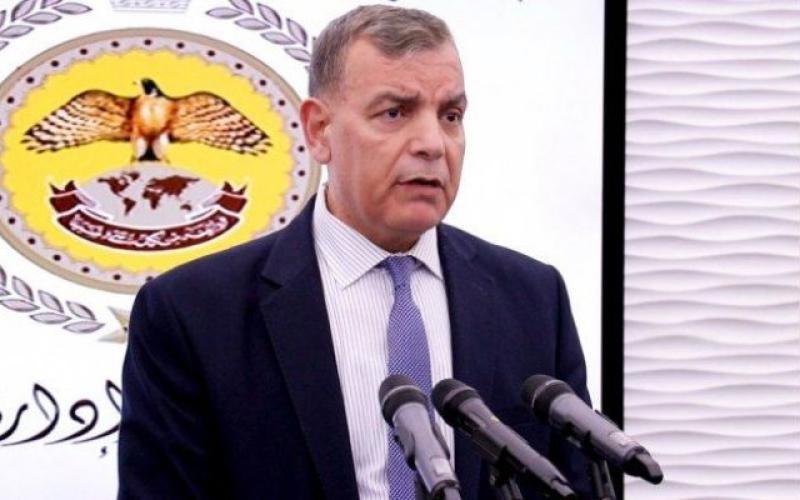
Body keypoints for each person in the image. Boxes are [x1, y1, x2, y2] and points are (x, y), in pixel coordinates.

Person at [118, 5, 591, 500]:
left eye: (450, 116)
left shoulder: (533, 300)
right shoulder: (193, 315)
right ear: (319, 131)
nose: (433, 144)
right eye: (395, 113)